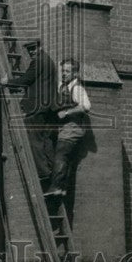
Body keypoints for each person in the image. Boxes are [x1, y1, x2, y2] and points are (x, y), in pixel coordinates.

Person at [0, 38, 58, 190]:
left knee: (34, 140)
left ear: (40, 47)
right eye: (29, 49)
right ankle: (52, 170)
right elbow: (38, 83)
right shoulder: (48, 60)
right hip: (48, 108)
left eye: (33, 48)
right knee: (46, 141)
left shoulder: (38, 61)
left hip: (36, 108)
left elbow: (27, 79)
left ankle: (43, 174)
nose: (31, 52)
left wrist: (8, 82)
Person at [46, 57, 91, 198]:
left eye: (67, 71)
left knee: (61, 154)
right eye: (63, 71)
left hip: (72, 127)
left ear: (75, 74)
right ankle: (62, 188)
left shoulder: (77, 88)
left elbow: (86, 106)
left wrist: (66, 112)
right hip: (65, 127)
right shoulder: (64, 86)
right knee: (63, 156)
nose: (64, 73)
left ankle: (56, 188)